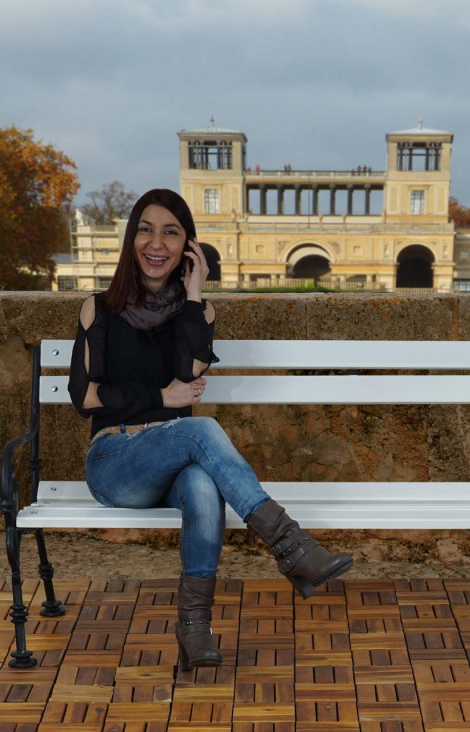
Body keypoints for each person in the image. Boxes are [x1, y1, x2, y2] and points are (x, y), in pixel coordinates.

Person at [68, 188, 353, 669]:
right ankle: (290, 546)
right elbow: (86, 397)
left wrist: (195, 293)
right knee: (200, 432)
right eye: (146, 229)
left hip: (174, 466)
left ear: (187, 248)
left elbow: (190, 372)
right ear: (130, 239)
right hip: (115, 461)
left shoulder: (198, 312)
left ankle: (194, 627)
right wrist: (161, 399)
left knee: (202, 484)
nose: (156, 243)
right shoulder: (98, 308)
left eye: (171, 233)